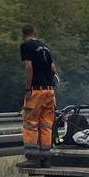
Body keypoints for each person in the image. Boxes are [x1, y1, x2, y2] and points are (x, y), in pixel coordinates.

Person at [19, 24, 58, 167]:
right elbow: (53, 68)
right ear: (35, 32)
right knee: (46, 124)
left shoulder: (26, 46)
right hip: (49, 91)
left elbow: (29, 67)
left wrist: (28, 88)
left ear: (23, 34)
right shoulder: (45, 47)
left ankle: (32, 159)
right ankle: (46, 158)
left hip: (36, 90)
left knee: (30, 123)